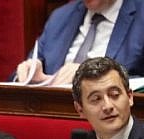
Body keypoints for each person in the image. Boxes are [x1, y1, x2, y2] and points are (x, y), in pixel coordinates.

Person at [14, 0, 144, 85]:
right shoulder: (60, 17)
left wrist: (91, 76)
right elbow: (18, 77)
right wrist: (27, 74)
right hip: (54, 113)